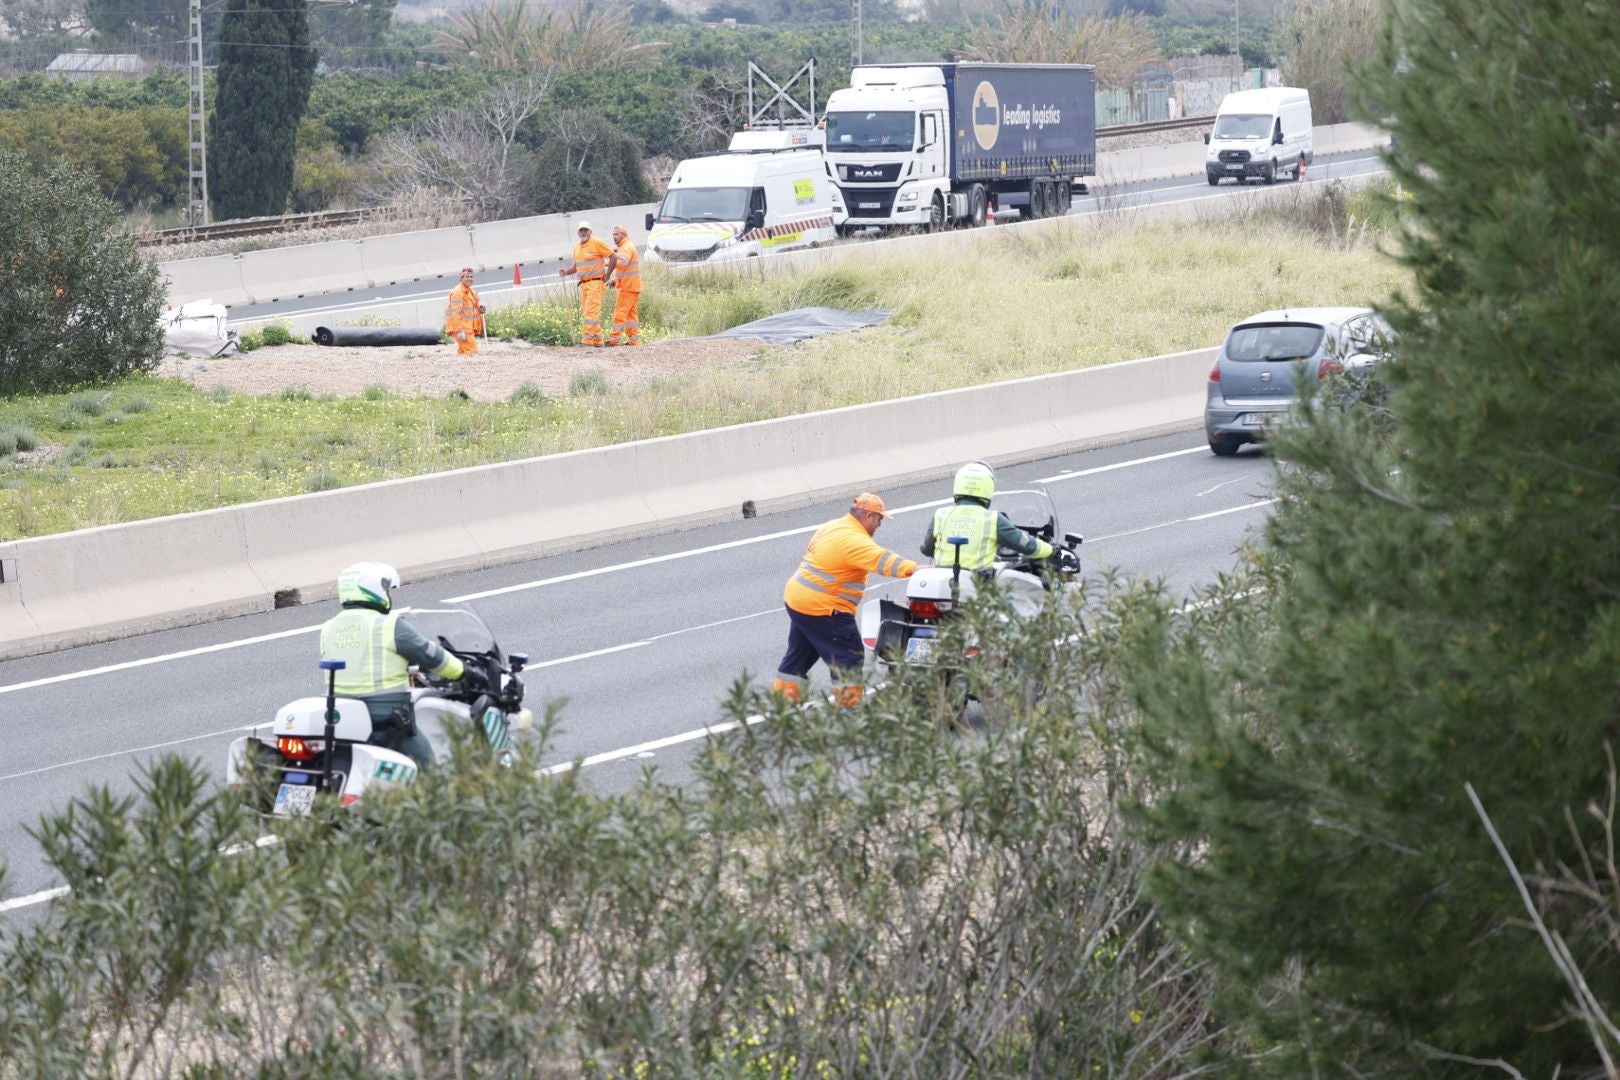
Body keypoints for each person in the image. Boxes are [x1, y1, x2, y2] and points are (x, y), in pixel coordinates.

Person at [318, 561, 470, 770]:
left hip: (343, 719)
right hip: (385, 719)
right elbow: (430, 655)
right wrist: (463, 671)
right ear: (373, 589)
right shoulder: (389, 625)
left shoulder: (328, 628)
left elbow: (363, 659)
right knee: (428, 767)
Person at [774, 492, 918, 707]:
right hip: (825, 608)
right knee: (848, 659)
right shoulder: (853, 540)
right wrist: (917, 569)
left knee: (798, 657)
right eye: (879, 518)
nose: (880, 524)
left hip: (798, 601)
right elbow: (884, 560)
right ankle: (850, 712)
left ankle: (781, 706)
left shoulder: (833, 526)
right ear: (868, 515)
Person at [921, 461, 1054, 570]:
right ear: (988, 488)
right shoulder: (993, 520)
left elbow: (926, 549)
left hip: (941, 583)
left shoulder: (940, 515)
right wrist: (1052, 550)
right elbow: (1027, 545)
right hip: (977, 589)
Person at [558, 221, 616, 348]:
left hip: (595, 283)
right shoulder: (577, 247)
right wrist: (566, 272)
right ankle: (598, 342)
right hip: (584, 285)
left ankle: (587, 342)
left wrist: (608, 275)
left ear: (590, 231)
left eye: (585, 230)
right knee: (589, 314)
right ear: (578, 232)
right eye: (581, 230)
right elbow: (576, 267)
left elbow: (613, 257)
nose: (583, 232)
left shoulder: (597, 243)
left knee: (590, 313)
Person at [605, 224, 642, 347]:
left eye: (616, 234)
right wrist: (615, 280)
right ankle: (633, 341)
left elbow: (623, 263)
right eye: (613, 234)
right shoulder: (626, 246)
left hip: (627, 287)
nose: (613, 237)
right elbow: (627, 270)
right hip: (632, 286)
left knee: (620, 313)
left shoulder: (625, 247)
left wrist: (609, 262)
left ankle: (614, 340)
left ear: (624, 235)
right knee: (631, 315)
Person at [444, 268, 485, 356]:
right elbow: (456, 313)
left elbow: (474, 307)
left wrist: (480, 309)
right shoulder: (457, 292)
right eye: (467, 276)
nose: (469, 278)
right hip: (462, 328)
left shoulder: (471, 292)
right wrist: (459, 331)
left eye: (471, 277)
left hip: (468, 327)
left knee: (463, 352)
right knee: (472, 351)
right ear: (461, 278)